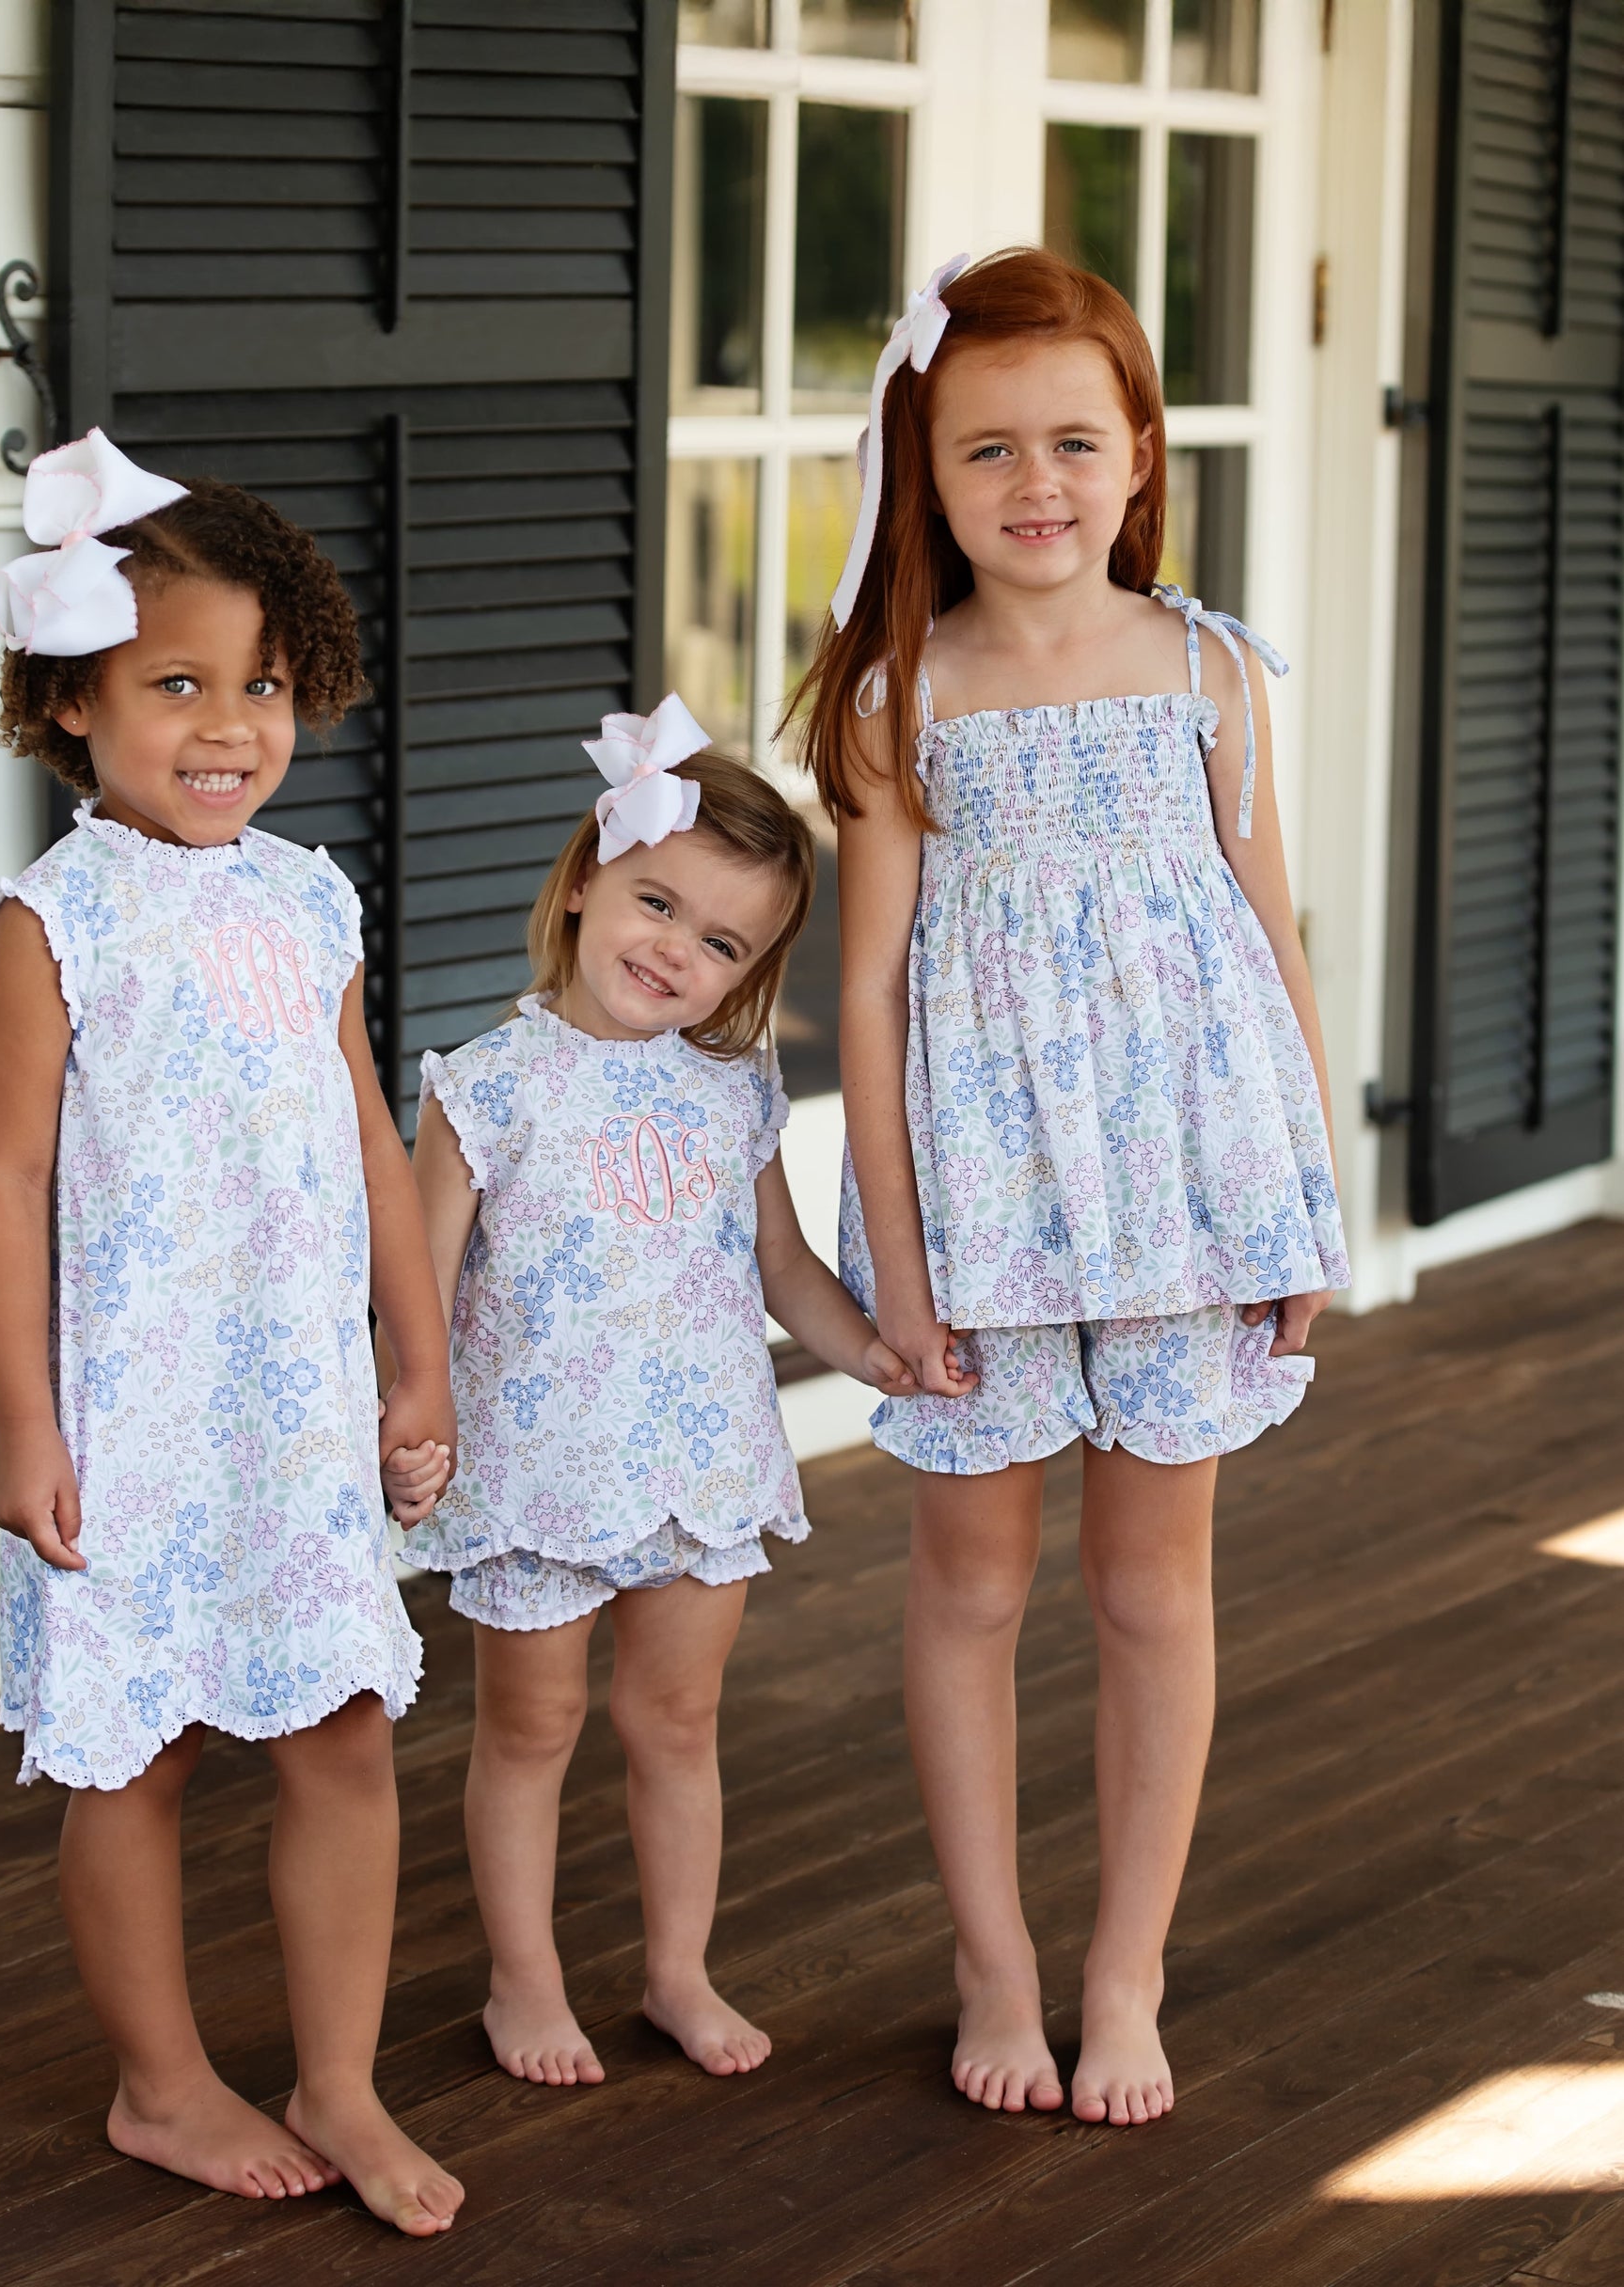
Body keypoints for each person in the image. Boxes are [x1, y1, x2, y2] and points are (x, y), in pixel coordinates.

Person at [796, 249, 1349, 2125]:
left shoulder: (1209, 668)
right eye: (983, 452)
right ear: (925, 478)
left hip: (1194, 1192)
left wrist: (1308, 1199)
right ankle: (996, 1958)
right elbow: (863, 990)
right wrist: (897, 1250)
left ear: (1136, 453)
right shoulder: (901, 692)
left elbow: (1267, 942)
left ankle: (1126, 1966)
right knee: (970, 1584)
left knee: (1150, 1589)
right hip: (982, 1206)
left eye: (1069, 441)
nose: (1033, 483)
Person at [0, 433, 463, 2233]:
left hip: (297, 1397)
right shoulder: (54, 923)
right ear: (74, 700)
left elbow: (370, 1149)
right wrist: (25, 1424)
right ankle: (161, 2086)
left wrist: (417, 1356)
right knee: (145, 1747)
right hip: (131, 1403)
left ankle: (339, 2071)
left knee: (339, 1723)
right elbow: (5, 1183)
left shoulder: (304, 900)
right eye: (176, 683)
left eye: (261, 684)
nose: (228, 725)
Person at [381, 700, 911, 2088]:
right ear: (582, 885)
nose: (676, 950)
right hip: (537, 1468)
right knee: (530, 1729)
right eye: (657, 903)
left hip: (697, 1457)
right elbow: (419, 1291)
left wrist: (866, 1350)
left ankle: (677, 1972)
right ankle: (525, 1983)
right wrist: (412, 1418)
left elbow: (781, 1266)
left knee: (675, 1723)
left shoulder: (734, 1090)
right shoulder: (484, 1088)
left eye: (721, 941)